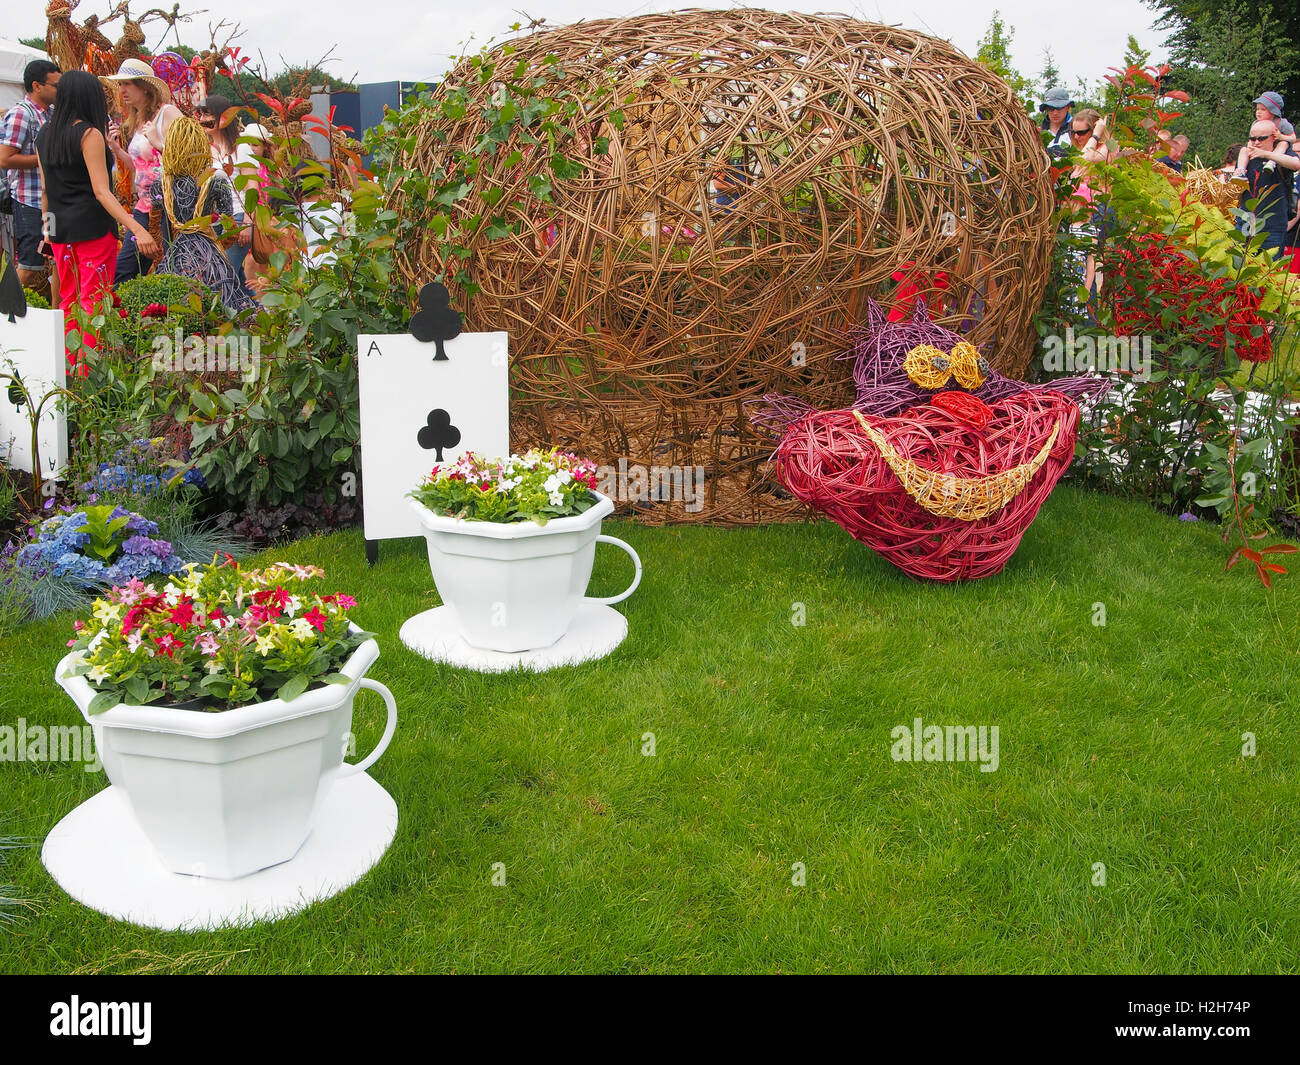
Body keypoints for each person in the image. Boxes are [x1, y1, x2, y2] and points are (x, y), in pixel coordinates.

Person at [33, 71, 159, 371]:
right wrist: (138, 229)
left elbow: (46, 192)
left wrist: (48, 232)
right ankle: (87, 376)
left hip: (61, 232)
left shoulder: (43, 134)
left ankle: (67, 369)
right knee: (93, 302)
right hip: (91, 231)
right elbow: (102, 191)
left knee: (69, 301)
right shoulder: (88, 134)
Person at [149, 115, 257, 316]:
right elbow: (230, 227)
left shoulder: (160, 183)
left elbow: (155, 228)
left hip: (178, 252)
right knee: (223, 300)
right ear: (201, 145)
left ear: (171, 146)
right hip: (207, 248)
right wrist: (217, 248)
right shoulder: (216, 180)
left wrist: (160, 259)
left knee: (170, 305)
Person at [102, 57, 181, 284]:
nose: (122, 90)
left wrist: (158, 143)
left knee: (170, 270)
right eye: (121, 84)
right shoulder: (136, 120)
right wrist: (117, 149)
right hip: (144, 208)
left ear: (145, 87)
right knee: (124, 272)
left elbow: (189, 157)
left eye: (127, 84)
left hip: (168, 207)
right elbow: (140, 168)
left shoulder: (168, 113)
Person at [0, 60, 60, 299]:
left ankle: (56, 315)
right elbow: (5, 159)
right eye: (55, 85)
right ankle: (7, 313)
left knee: (54, 258)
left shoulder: (51, 113)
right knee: (30, 263)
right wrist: (45, 157)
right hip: (29, 202)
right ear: (37, 85)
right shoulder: (21, 114)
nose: (59, 90)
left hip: (50, 203)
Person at [198, 94, 254, 289]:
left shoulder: (241, 147)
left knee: (222, 276)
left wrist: (247, 222)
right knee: (235, 279)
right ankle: (257, 314)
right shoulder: (205, 148)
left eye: (208, 114)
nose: (203, 119)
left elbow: (252, 187)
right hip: (215, 220)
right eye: (200, 115)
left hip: (238, 217)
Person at [1239, 119, 1300, 257]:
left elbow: (1296, 164)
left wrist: (1266, 155)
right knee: (1239, 271)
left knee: (1268, 273)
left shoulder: (1283, 155)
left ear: (1273, 138)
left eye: (1261, 138)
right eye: (1252, 139)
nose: (1256, 142)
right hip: (1245, 223)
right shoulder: (1246, 157)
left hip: (1273, 228)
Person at [1039, 87, 1073, 158]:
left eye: (1059, 108)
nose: (1055, 113)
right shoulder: (1038, 133)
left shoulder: (1077, 131)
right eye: (1051, 108)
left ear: (1068, 107)